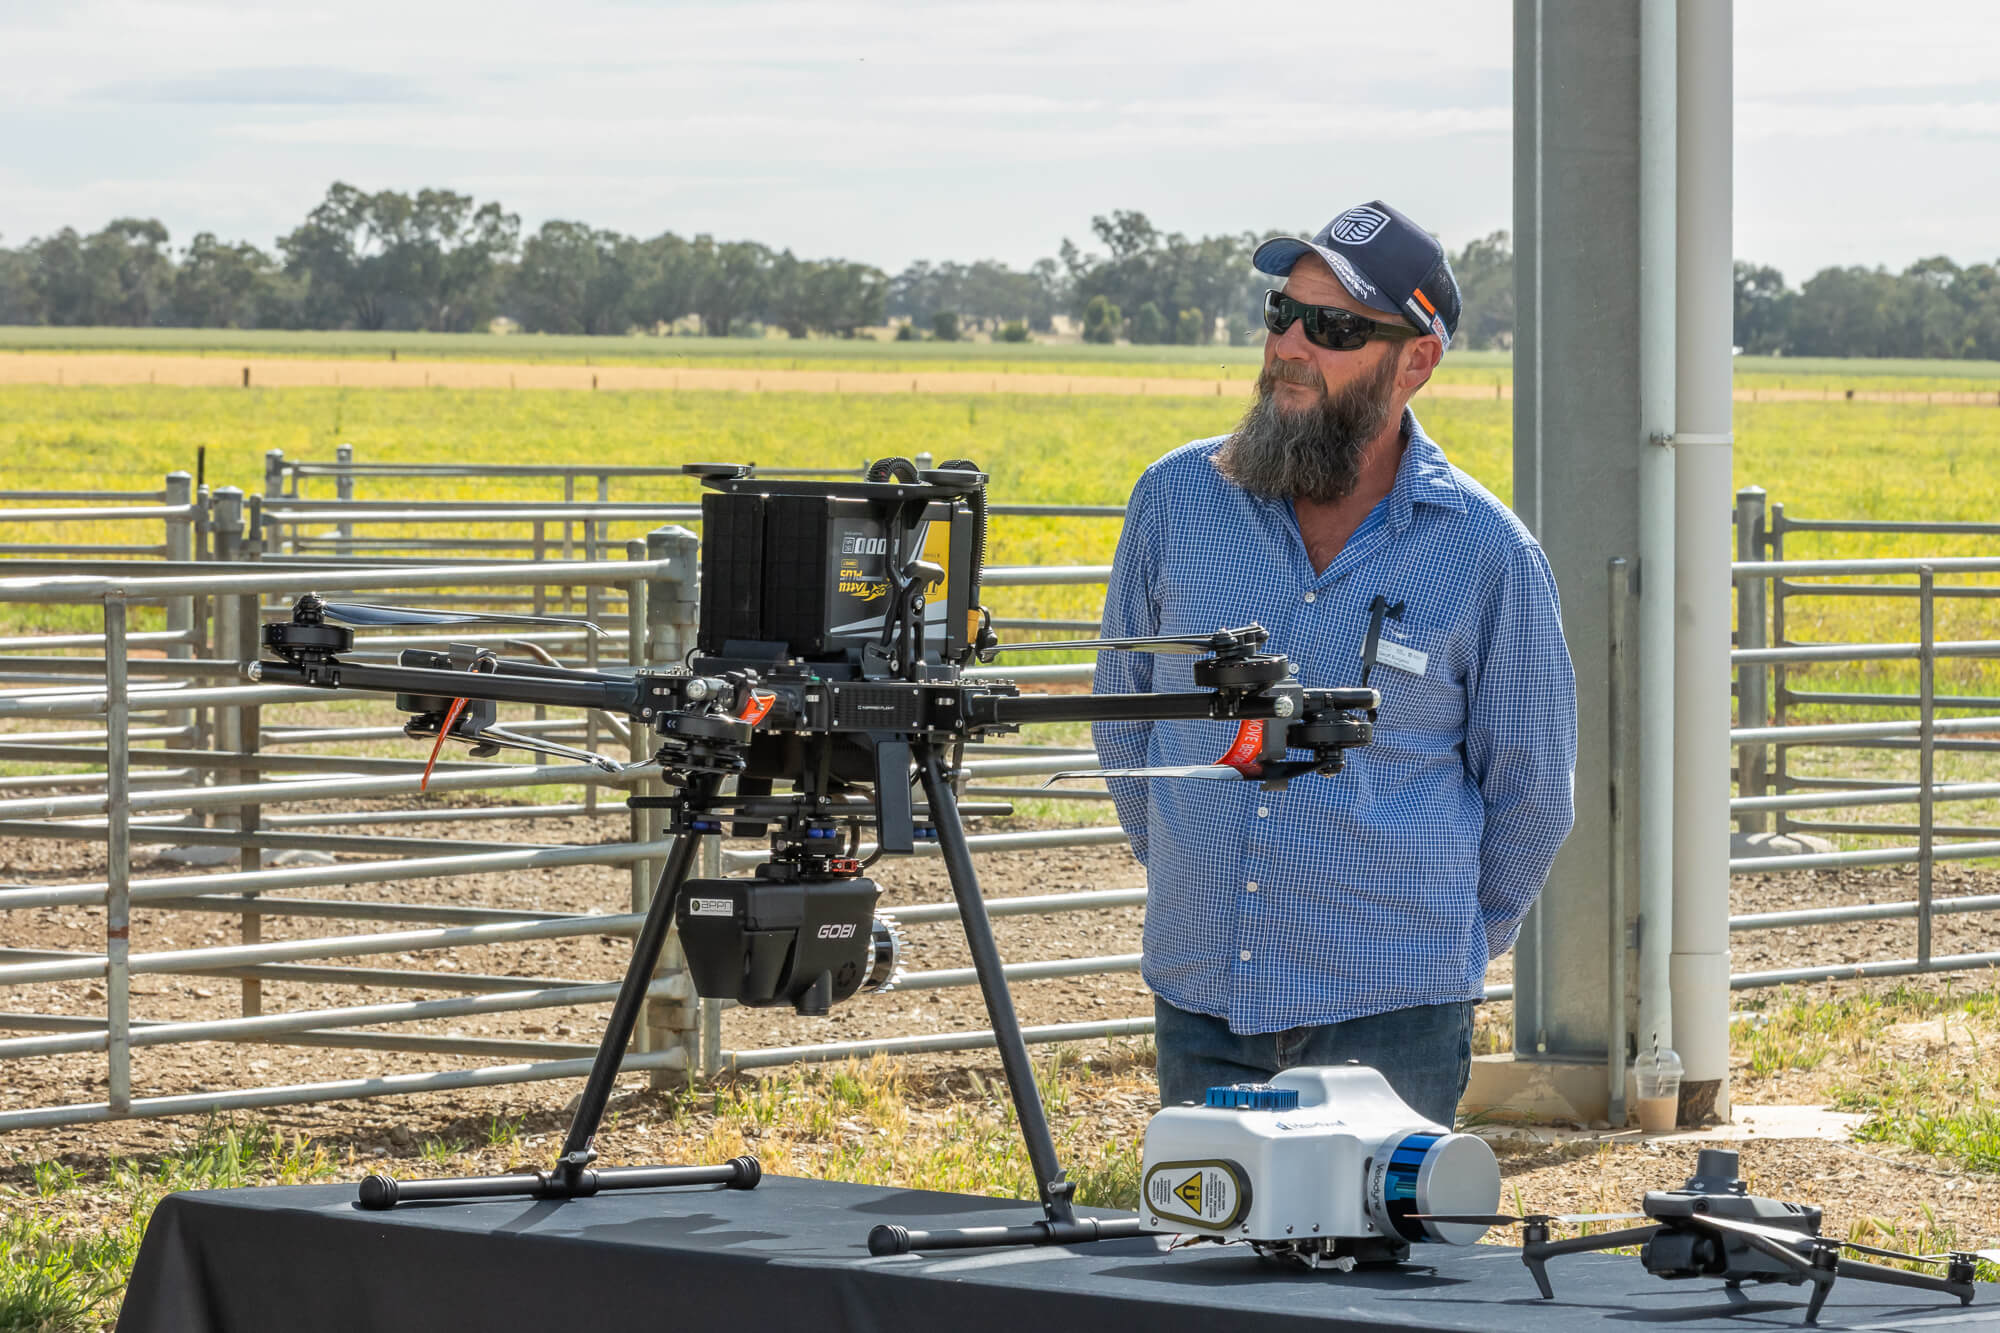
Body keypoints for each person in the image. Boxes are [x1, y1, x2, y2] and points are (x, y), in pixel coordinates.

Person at [1092, 200, 1577, 1126]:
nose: (1291, 346)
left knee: (1374, 1267)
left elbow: (1532, 793)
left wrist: (1443, 947)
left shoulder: (1487, 553)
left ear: (1417, 360)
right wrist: (1199, 872)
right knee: (1205, 1261)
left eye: (1336, 327)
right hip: (1205, 999)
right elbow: (1126, 727)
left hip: (1392, 1016)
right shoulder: (1175, 502)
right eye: (1284, 313)